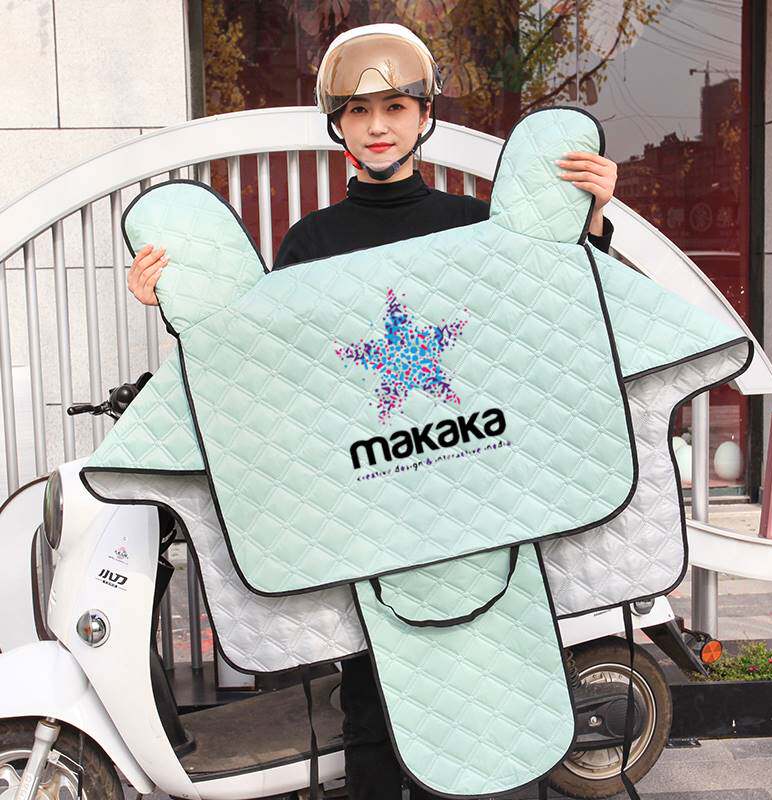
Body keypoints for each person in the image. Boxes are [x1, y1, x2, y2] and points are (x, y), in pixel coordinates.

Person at [127, 22, 619, 800]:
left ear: (425, 114)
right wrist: (181, 308)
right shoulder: (309, 244)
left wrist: (588, 225)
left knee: (497, 695)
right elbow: (268, 376)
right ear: (338, 125)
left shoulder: (478, 226)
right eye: (358, 111)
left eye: (394, 106)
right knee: (373, 713)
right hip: (372, 519)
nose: (378, 126)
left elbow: (557, 331)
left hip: (478, 498)